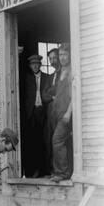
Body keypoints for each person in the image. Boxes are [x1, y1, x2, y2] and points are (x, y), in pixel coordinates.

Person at [21, 54, 50, 178]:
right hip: (30, 113)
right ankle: (31, 171)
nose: (35, 66)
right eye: (33, 64)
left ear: (40, 65)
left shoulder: (47, 77)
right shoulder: (26, 78)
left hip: (42, 112)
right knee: (31, 142)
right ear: (30, 65)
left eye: (37, 64)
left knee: (43, 141)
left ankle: (43, 170)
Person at [49, 43, 73, 182]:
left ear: (70, 55)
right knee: (61, 142)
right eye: (60, 55)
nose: (62, 58)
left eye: (65, 54)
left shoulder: (71, 71)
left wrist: (68, 113)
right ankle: (62, 171)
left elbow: (74, 95)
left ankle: (62, 173)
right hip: (57, 114)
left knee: (57, 141)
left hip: (65, 114)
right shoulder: (61, 71)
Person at [42, 48, 60, 176]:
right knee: (50, 141)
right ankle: (53, 170)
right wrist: (52, 95)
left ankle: (61, 171)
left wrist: (52, 92)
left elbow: (60, 91)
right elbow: (44, 95)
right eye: (50, 59)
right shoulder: (51, 76)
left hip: (60, 113)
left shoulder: (64, 73)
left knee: (59, 141)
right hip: (50, 114)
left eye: (55, 58)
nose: (53, 61)